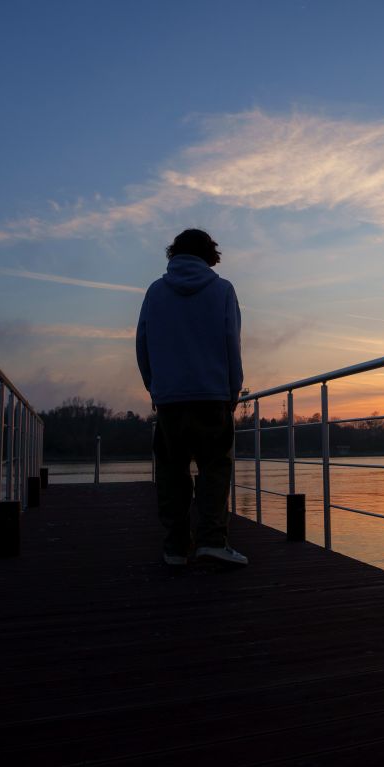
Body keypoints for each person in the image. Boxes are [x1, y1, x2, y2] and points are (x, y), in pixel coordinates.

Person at [136, 229, 247, 566]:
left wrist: (154, 387)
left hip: (170, 398)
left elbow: (142, 344)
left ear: (174, 253)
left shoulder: (155, 292)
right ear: (209, 255)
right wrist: (233, 390)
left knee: (171, 471)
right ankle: (212, 540)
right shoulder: (222, 290)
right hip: (212, 395)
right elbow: (232, 343)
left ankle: (175, 546)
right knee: (215, 467)